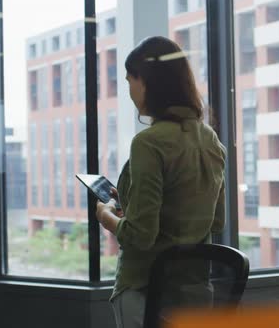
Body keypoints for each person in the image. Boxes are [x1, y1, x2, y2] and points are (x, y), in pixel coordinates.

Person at [95, 36, 226, 328]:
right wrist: (132, 201)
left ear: (148, 83)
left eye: (130, 81)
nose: (128, 91)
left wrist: (107, 217)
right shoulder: (211, 141)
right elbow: (216, 221)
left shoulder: (149, 144)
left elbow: (140, 236)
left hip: (146, 292)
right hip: (195, 296)